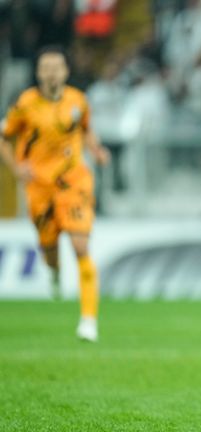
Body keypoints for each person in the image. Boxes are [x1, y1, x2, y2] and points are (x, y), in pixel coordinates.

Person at [0, 46, 110, 342]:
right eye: (46, 68)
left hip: (74, 182)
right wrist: (16, 168)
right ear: (38, 73)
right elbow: (4, 137)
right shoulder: (25, 104)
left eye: (56, 67)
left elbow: (86, 129)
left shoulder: (77, 100)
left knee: (80, 246)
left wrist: (97, 151)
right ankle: (54, 271)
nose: (51, 73)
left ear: (66, 71)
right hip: (39, 187)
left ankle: (88, 320)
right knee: (49, 249)